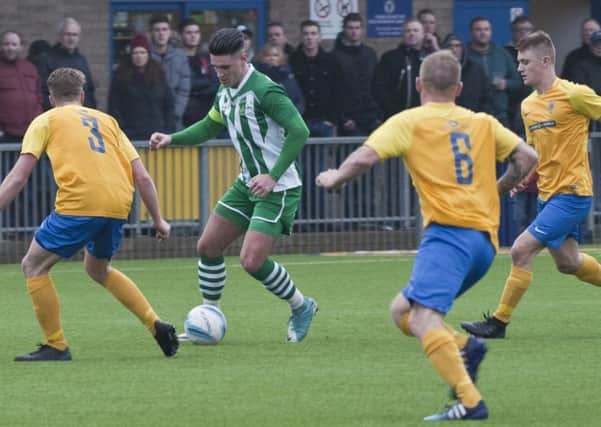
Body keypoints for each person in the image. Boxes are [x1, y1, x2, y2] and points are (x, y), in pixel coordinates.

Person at [316, 50, 537, 421]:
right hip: (484, 243)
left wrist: (334, 178)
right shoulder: (482, 121)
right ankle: (466, 348)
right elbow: (527, 157)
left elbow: (365, 158)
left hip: (448, 235)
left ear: (419, 84)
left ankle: (470, 402)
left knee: (422, 320)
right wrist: (498, 188)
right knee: (402, 310)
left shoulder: (410, 121)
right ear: (459, 87)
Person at [149, 28, 318, 343]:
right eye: (215, 67)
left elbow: (300, 131)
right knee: (207, 247)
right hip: (247, 184)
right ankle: (210, 319)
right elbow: (210, 126)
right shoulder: (225, 91)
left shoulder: (266, 91)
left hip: (278, 187)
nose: (220, 73)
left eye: (225, 67)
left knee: (251, 261)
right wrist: (172, 138)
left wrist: (272, 175)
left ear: (244, 57)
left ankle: (302, 305)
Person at [0, 68, 178, 361]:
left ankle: (56, 345)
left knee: (33, 266)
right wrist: (158, 219)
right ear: (82, 96)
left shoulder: (45, 120)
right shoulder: (107, 121)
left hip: (80, 203)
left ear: (50, 97)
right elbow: (143, 177)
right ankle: (155, 324)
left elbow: (19, 177)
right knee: (97, 269)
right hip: (119, 204)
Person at [461, 31, 601, 339]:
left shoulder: (575, 94)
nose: (520, 68)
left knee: (521, 250)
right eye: (518, 61)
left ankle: (498, 322)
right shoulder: (528, 106)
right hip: (547, 195)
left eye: (525, 62)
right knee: (569, 263)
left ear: (546, 61)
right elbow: (536, 151)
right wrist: (525, 180)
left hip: (572, 193)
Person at [108, 33, 175, 140]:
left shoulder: (158, 73)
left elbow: (168, 104)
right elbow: (114, 106)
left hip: (157, 133)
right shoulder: (121, 75)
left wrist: (167, 130)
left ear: (148, 54)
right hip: (131, 134)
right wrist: (123, 130)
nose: (139, 56)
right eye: (135, 52)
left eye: (142, 52)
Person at [289, 20, 344, 137]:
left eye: (313, 34)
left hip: (324, 122)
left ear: (320, 37)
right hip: (299, 122)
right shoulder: (292, 61)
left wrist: (333, 120)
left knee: (324, 155)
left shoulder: (331, 61)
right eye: (306, 34)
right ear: (301, 37)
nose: (309, 37)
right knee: (301, 156)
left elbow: (340, 92)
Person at [466, 17, 522, 127]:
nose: (483, 33)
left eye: (486, 29)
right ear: (471, 32)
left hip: (500, 116)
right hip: (472, 116)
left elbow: (518, 82)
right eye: (478, 29)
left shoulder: (502, 54)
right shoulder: (465, 54)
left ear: (491, 32)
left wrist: (506, 84)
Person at [331, 13, 380, 136]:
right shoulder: (334, 57)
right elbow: (333, 91)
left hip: (372, 118)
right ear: (344, 29)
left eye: (357, 28)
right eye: (350, 28)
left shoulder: (370, 54)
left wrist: (378, 115)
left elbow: (378, 85)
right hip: (349, 121)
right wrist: (342, 119)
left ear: (362, 30)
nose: (354, 31)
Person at [373, 18, 427, 119]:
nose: (411, 33)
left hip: (423, 118)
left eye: (416, 30)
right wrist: (392, 112)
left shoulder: (429, 59)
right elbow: (379, 88)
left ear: (423, 34)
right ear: (403, 35)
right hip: (395, 118)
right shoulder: (390, 58)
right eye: (408, 31)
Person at [38, 17, 96, 110]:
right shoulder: (47, 59)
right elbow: (42, 91)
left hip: (81, 115)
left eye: (75, 35)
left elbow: (89, 90)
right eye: (68, 34)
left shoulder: (81, 60)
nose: (71, 38)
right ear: (60, 36)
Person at [149, 14, 190, 131]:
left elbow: (184, 89)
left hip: (175, 117)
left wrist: (176, 112)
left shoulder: (180, 56)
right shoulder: (145, 55)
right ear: (151, 32)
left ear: (170, 32)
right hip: (150, 117)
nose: (161, 33)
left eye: (164, 29)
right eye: (157, 30)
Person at [0, 31, 43, 142]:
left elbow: (39, 96)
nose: (10, 48)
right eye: (6, 44)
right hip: (5, 135)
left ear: (20, 47)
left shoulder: (30, 68)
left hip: (30, 133)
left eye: (14, 44)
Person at [179, 18, 219, 126]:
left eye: (196, 32)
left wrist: (196, 91)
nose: (193, 36)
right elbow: (185, 85)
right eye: (189, 32)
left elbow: (215, 84)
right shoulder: (177, 58)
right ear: (181, 35)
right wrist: (203, 84)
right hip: (184, 117)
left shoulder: (206, 58)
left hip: (207, 117)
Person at [442, 33, 493, 114]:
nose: (453, 49)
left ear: (463, 48)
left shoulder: (476, 70)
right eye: (450, 46)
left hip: (472, 119)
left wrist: (479, 117)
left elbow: (487, 98)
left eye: (457, 46)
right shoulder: (437, 71)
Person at [255, 43, 304, 113]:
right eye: (268, 55)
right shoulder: (257, 76)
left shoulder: (288, 76)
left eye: (275, 55)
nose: (272, 58)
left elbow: (298, 100)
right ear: (262, 58)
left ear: (281, 58)